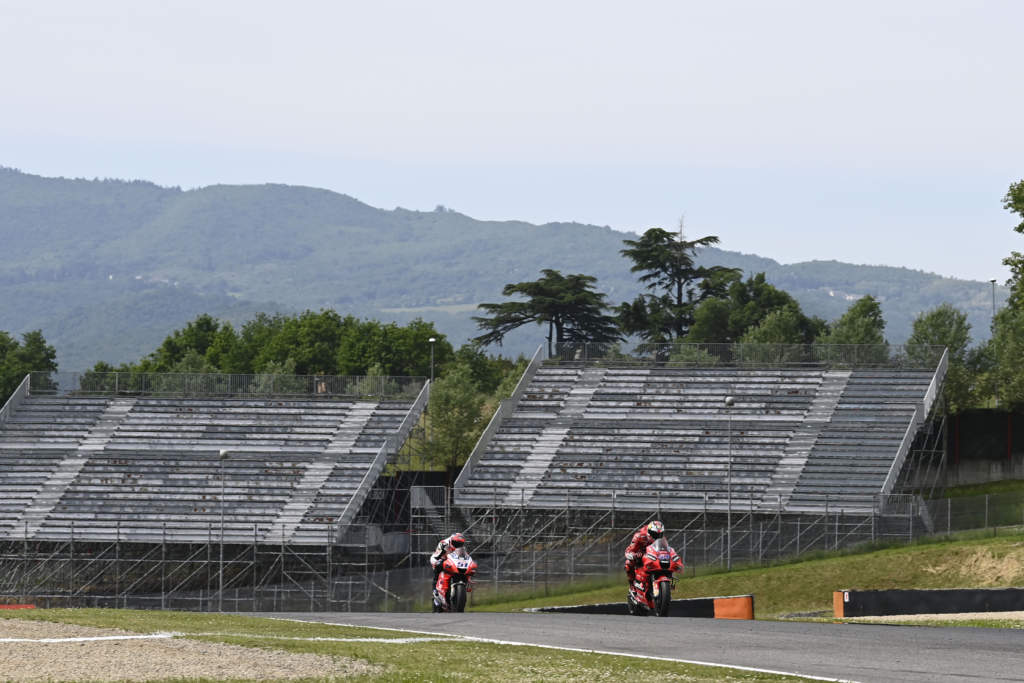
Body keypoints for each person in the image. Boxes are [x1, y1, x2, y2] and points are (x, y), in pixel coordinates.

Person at [624, 520, 664, 584]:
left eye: (660, 535)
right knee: (628, 563)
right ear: (649, 532)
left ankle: (666, 577)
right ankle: (632, 585)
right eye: (655, 534)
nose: (657, 537)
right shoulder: (639, 536)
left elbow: (664, 549)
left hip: (653, 555)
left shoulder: (660, 540)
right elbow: (628, 551)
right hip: (640, 556)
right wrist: (635, 555)